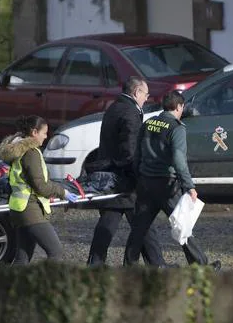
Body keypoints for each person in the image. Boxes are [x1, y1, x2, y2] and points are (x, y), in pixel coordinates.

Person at [123, 90, 221, 270]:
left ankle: (129, 265)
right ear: (179, 107)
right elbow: (178, 159)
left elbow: (137, 153)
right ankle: (200, 265)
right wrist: (189, 185)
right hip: (166, 184)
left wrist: (138, 175)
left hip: (146, 182)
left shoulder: (149, 123)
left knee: (139, 227)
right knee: (182, 225)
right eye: (182, 107)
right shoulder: (177, 128)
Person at [87, 76, 170, 267]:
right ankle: (156, 265)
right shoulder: (130, 113)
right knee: (131, 222)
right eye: (145, 94)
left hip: (112, 174)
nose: (146, 99)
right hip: (124, 177)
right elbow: (131, 150)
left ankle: (156, 264)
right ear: (136, 92)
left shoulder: (114, 107)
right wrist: (141, 175)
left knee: (134, 222)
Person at [0, 115, 79, 264]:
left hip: (19, 209)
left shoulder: (18, 149)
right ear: (34, 132)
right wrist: (63, 192)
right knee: (55, 252)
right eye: (44, 133)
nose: (46, 137)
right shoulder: (31, 153)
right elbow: (41, 186)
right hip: (30, 210)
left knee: (23, 256)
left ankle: (9, 287)